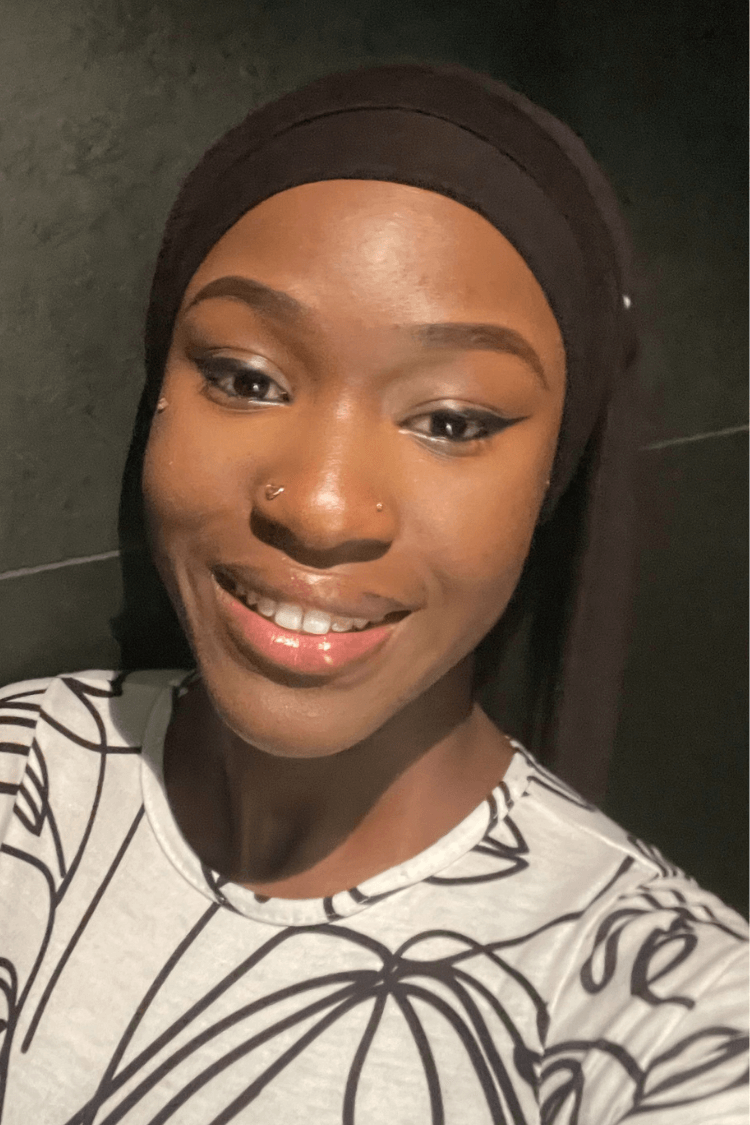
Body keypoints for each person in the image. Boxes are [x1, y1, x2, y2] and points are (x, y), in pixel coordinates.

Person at [0, 63, 746, 1124]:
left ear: (554, 477)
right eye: (247, 376)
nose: (322, 506)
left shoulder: (670, 1021)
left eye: (451, 420)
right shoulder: (24, 781)